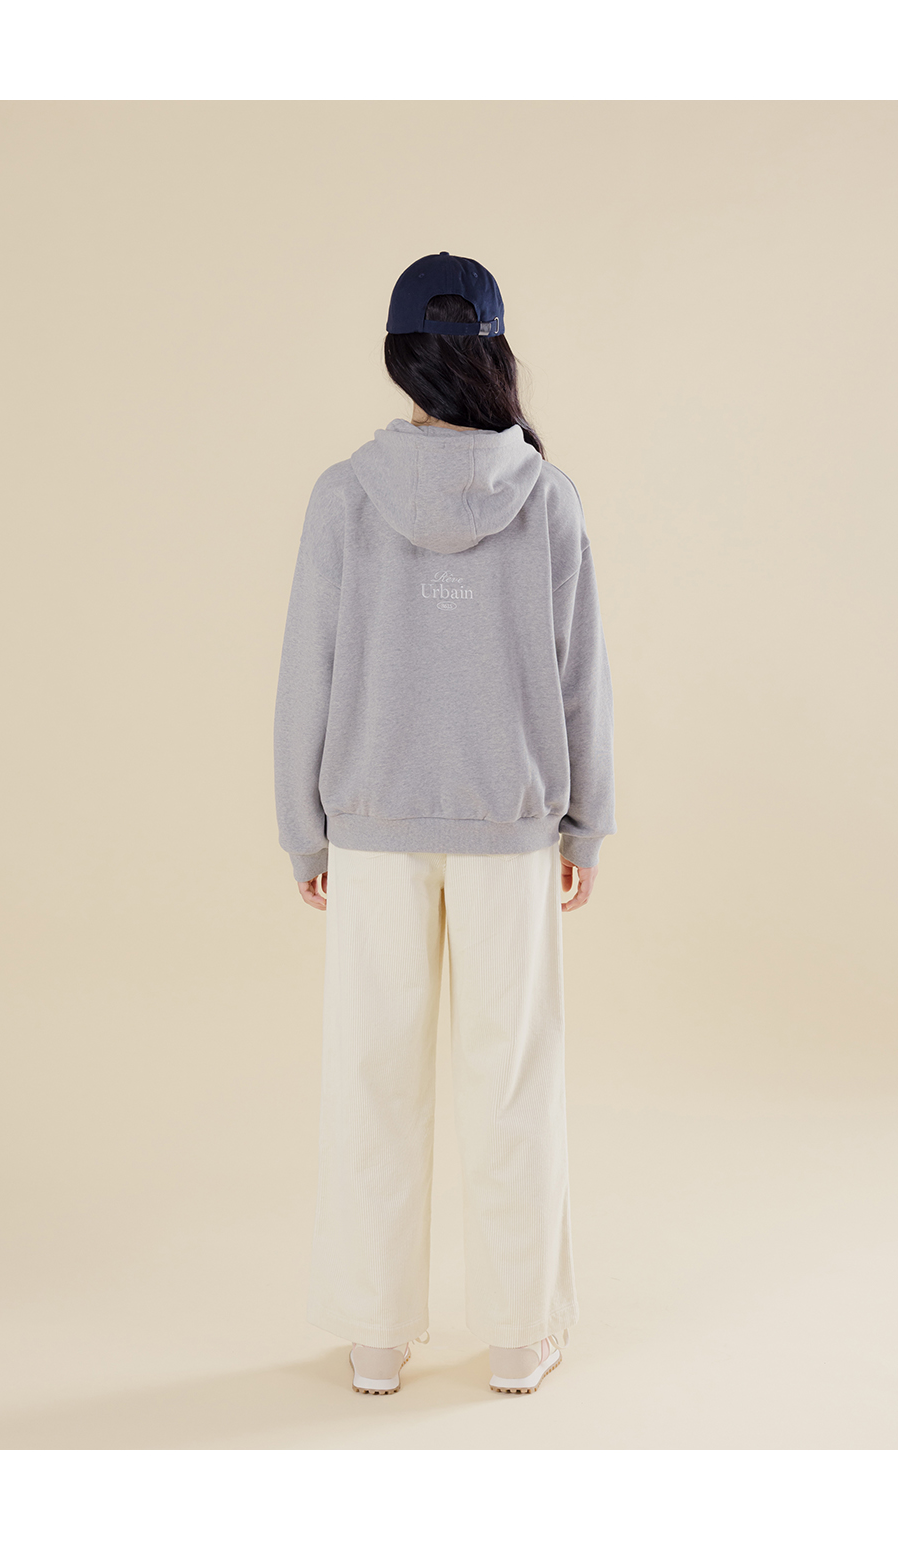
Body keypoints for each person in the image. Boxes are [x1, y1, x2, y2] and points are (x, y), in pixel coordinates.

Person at [273, 251, 616, 1396]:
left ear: (399, 356)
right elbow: (582, 679)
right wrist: (586, 824)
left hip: (371, 828)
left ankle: (376, 1337)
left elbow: (307, 671)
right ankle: (518, 1335)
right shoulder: (547, 496)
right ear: (493, 354)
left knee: (372, 1075)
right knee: (511, 1077)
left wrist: (304, 828)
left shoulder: (343, 494)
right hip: (509, 831)